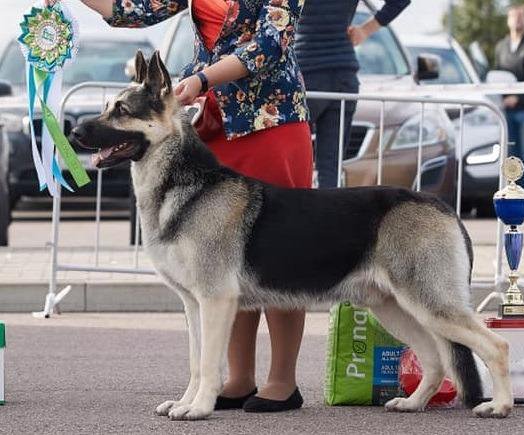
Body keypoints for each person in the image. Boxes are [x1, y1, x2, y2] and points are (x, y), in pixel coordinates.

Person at [46, 0, 312, 412]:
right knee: (219, 260)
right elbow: (134, 8)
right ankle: (238, 377)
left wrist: (202, 79)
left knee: (281, 251)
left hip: (269, 119)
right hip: (211, 122)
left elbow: (271, 42)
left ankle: (282, 380)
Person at [295, 0, 411, 188]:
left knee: (295, 160)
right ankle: (328, 216)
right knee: (331, 166)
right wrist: (366, 29)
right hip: (344, 78)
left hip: (305, 76)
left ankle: (296, 215)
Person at [495, 3, 524, 198]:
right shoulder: (501, 46)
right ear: (508, 19)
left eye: (521, 16)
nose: (517, 19)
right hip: (506, 109)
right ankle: (513, 194)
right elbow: (496, 74)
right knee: (511, 155)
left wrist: (517, 97)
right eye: (514, 16)